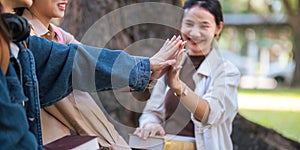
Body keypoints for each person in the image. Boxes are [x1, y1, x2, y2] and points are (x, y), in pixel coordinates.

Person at [0, 0, 185, 149]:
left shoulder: (56, 35)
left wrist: (145, 68)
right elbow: (73, 105)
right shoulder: (25, 40)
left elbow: (89, 62)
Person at [20, 0, 131, 149]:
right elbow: (75, 105)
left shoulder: (59, 35)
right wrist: (115, 145)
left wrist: (148, 71)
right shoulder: (26, 38)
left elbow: (96, 64)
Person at [133, 0, 241, 149]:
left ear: (218, 28)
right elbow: (152, 112)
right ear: (180, 25)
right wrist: (150, 124)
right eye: (189, 24)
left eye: (204, 25)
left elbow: (210, 114)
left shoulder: (227, 71)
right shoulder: (170, 63)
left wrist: (179, 88)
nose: (195, 33)